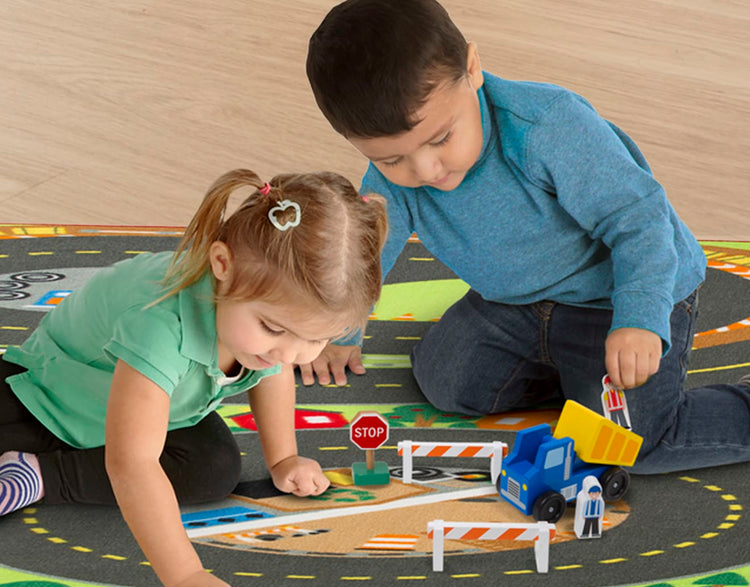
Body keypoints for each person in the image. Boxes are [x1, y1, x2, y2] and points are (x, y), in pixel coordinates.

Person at [305, 0, 750, 474]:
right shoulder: (396, 174)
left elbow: (639, 220)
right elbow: (369, 249)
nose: (425, 171)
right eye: (392, 160)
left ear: (473, 69)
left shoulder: (548, 127)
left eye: (440, 139)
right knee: (445, 382)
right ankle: (576, 382)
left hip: (619, 296)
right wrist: (341, 331)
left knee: (632, 444)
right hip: (516, 302)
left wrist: (638, 318)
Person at [0, 168, 387, 587]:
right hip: (46, 396)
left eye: (316, 339)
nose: (292, 353)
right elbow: (131, 465)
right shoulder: (160, 324)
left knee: (216, 467)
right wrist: (188, 580)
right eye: (274, 329)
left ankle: (35, 475)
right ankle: (33, 459)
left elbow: (273, 373)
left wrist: (283, 457)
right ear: (222, 264)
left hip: (160, 411)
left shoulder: (262, 324)